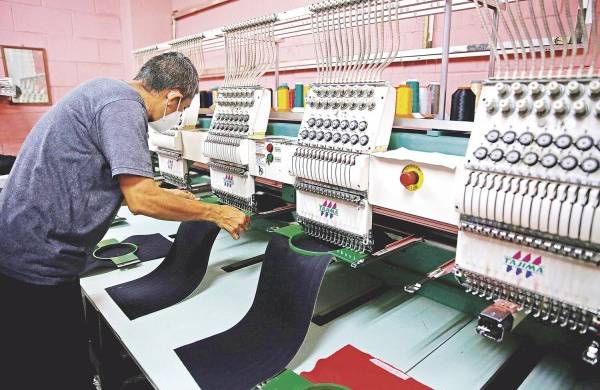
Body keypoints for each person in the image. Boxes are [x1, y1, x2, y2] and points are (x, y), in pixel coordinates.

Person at [0, 52, 249, 389]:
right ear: (173, 96)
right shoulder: (122, 107)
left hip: (21, 244)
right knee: (60, 372)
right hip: (37, 261)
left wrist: (172, 197)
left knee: (30, 361)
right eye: (181, 109)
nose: (175, 117)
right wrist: (216, 212)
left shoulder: (104, 92)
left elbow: (123, 183)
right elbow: (141, 199)